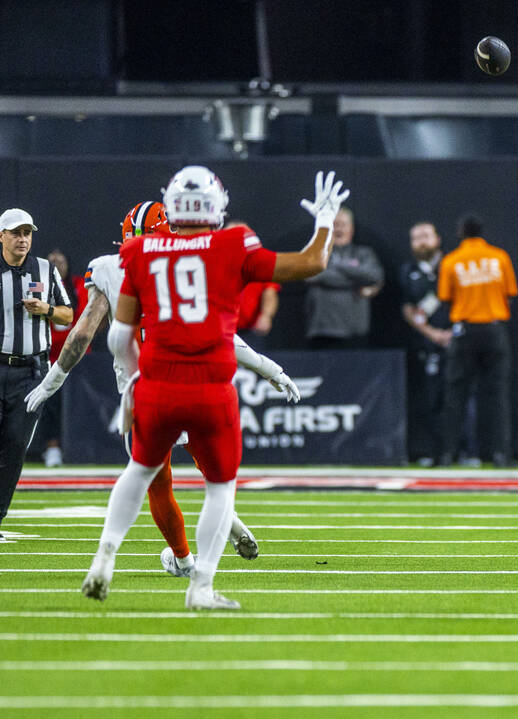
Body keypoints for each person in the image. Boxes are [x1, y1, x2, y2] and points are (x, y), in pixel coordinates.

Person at [80, 167, 348, 610]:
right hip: (210, 387)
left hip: (157, 385)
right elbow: (312, 263)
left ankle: (104, 559)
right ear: (216, 205)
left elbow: (116, 337)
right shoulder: (232, 243)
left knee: (139, 472)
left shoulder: (140, 251)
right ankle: (200, 587)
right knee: (220, 488)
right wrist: (324, 222)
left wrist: (130, 387)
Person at [26, 200, 302, 579]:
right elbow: (221, 335)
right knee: (214, 471)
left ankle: (184, 560)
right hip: (192, 382)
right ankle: (229, 521)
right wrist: (271, 368)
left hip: (144, 395)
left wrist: (52, 380)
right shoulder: (190, 268)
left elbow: (84, 332)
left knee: (156, 482)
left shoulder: (108, 267)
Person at [0, 208, 74, 541]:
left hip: (30, 371)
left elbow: (68, 316)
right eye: (15, 232)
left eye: (27, 233)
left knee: (15, 445)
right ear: (1, 236)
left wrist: (46, 309)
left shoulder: (44, 269)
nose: (22, 239)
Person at [437, 215, 518, 468]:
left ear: (461, 233)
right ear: (482, 233)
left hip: (464, 332)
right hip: (494, 330)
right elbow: (510, 293)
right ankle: (501, 455)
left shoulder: (451, 260)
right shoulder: (500, 257)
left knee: (455, 396)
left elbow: (444, 296)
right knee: (498, 396)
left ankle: (447, 455)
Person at [401, 221, 452, 467]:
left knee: (462, 397)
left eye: (426, 236)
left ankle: (466, 452)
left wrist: (453, 332)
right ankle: (435, 452)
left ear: (437, 238)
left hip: (459, 338)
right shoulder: (408, 270)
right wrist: (431, 333)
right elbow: (409, 309)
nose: (421, 241)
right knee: (432, 398)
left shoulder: (453, 264)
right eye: (416, 237)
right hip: (427, 342)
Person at [35, 248, 88, 468]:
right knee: (50, 404)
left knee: (80, 404)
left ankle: (82, 447)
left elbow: (89, 318)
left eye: (60, 260)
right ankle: (52, 447)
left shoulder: (77, 284)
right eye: (51, 261)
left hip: (77, 358)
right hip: (49, 355)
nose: (56, 263)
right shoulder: (37, 284)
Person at [304, 206, 383, 349]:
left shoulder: (364, 253)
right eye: (334, 225)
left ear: (351, 229)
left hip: (355, 331)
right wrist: (356, 277)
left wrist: (339, 266)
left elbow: (375, 276)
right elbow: (310, 275)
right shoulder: (316, 253)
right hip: (322, 330)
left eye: (343, 225)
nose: (339, 229)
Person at [228, 219, 280, 350]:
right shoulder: (213, 260)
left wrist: (266, 315)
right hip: (221, 328)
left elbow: (270, 292)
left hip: (249, 329)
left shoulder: (260, 262)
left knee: (252, 367)